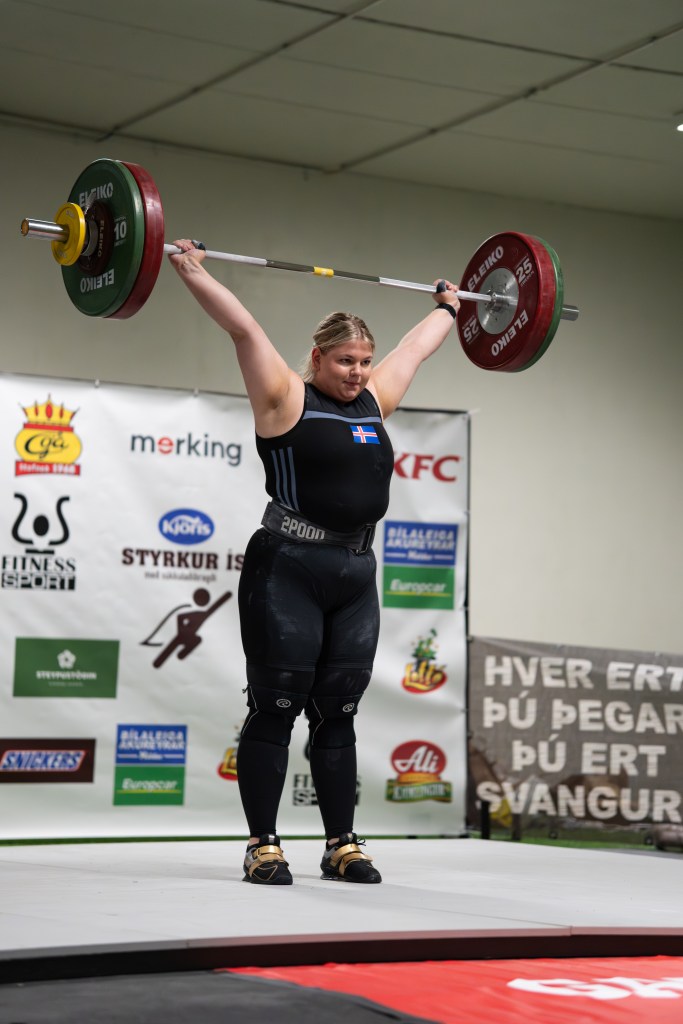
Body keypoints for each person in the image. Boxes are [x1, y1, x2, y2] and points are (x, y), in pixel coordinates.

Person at [169, 240, 460, 885]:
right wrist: (190, 269)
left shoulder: (373, 402)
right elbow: (243, 329)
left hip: (354, 574)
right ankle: (263, 845)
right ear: (318, 357)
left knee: (339, 710)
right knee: (276, 705)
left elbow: (414, 349)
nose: (357, 372)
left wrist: (449, 307)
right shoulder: (284, 398)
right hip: (287, 568)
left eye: (364, 361)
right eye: (344, 361)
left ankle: (341, 845)